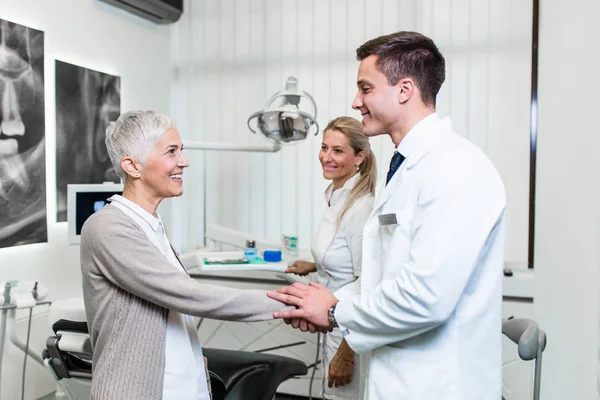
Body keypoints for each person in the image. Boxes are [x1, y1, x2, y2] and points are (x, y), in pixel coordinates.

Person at [267, 31, 506, 400]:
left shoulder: (455, 168)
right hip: (397, 379)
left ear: (404, 90)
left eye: (365, 88)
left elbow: (427, 295)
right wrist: (321, 301)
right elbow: (381, 276)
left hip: (438, 386)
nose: (356, 101)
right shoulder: (406, 168)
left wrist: (334, 312)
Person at [80, 110, 289, 400]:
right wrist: (290, 303)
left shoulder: (151, 225)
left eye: (182, 150)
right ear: (132, 165)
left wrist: (191, 360)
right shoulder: (107, 227)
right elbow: (189, 295)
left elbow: (170, 316)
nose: (184, 161)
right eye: (171, 151)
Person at [285, 116, 376, 398]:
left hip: (349, 331)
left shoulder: (360, 207)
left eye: (338, 151)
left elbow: (368, 284)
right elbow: (345, 253)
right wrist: (314, 264)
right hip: (333, 320)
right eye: (324, 148)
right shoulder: (337, 196)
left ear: (359, 156)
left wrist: (347, 353)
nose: (326, 157)